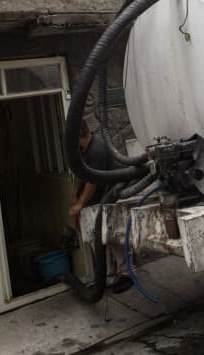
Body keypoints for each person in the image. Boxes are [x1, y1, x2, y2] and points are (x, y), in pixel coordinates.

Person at [69, 119, 131, 293]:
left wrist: (79, 203)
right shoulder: (82, 149)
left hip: (107, 199)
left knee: (113, 238)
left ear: (80, 136)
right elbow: (80, 174)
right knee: (100, 240)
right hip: (95, 203)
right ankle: (109, 276)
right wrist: (74, 197)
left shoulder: (97, 150)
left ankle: (126, 274)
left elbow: (92, 181)